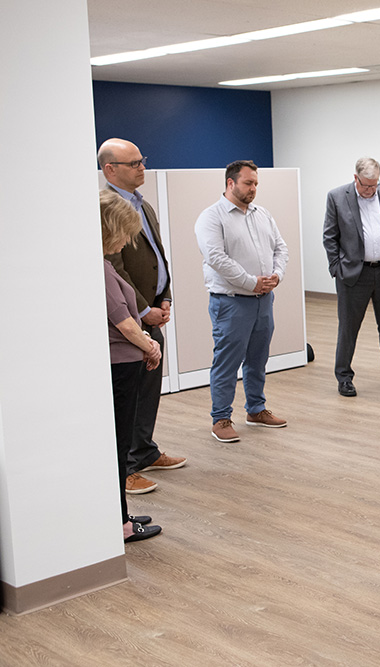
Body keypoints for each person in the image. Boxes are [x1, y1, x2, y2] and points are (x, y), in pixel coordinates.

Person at [99, 138, 187, 495]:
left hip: (151, 311)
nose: (142, 167)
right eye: (133, 163)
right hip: (130, 317)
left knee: (148, 390)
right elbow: (114, 268)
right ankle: (128, 467)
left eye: (141, 160)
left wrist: (164, 298)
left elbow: (157, 258)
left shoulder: (143, 204)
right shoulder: (107, 210)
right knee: (129, 395)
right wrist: (143, 310)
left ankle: (144, 450)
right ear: (110, 170)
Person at [194, 160, 288, 443]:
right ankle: (220, 418)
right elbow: (216, 258)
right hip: (231, 302)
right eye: (248, 183)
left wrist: (277, 275)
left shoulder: (262, 215)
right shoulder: (212, 217)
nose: (253, 188)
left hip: (263, 300)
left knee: (258, 359)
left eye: (256, 183)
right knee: (227, 362)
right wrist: (250, 282)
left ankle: (256, 409)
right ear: (230, 183)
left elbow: (280, 248)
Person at [100, 189, 163, 543]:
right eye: (124, 233)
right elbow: (124, 323)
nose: (126, 241)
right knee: (119, 444)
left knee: (120, 444)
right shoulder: (100, 270)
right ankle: (122, 524)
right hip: (119, 369)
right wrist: (150, 344)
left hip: (125, 364)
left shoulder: (105, 266)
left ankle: (120, 516)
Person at [322, 157, 380, 398]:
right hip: (354, 274)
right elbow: (329, 236)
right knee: (348, 328)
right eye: (366, 185)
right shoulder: (337, 197)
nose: (370, 190)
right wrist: (336, 267)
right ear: (356, 178)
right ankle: (344, 377)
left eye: (374, 185)